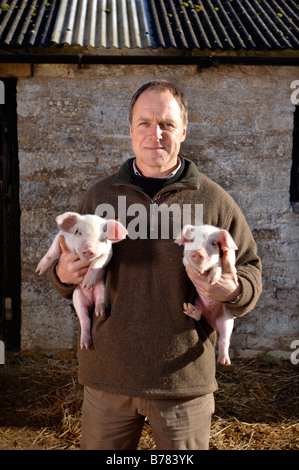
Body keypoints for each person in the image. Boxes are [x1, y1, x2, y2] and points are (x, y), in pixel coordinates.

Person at [49, 80, 262, 450]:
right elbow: (67, 270)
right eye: (144, 123)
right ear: (130, 130)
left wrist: (235, 288)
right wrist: (62, 275)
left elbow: (250, 268)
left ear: (183, 129)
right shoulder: (99, 197)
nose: (155, 133)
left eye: (166, 123)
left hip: (183, 382)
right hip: (108, 379)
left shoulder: (214, 200)